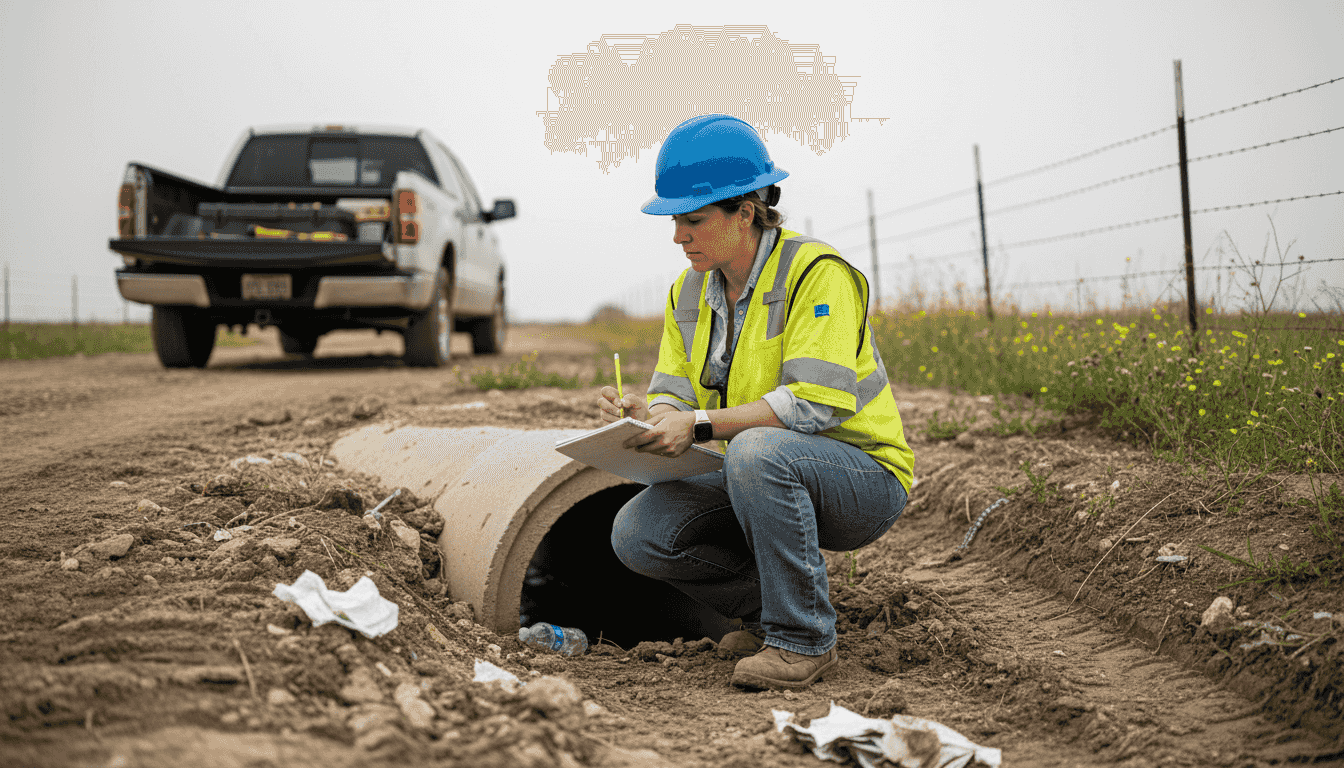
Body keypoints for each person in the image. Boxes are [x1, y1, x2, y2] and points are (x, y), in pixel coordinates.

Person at [597, 114, 915, 690]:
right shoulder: (687, 293)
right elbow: (674, 393)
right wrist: (647, 418)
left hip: (860, 479)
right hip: (761, 472)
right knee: (637, 530)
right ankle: (766, 615)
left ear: (745, 209)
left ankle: (802, 639)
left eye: (692, 219)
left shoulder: (816, 274)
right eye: (675, 221)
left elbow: (816, 404)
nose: (678, 236)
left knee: (756, 451)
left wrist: (698, 426)